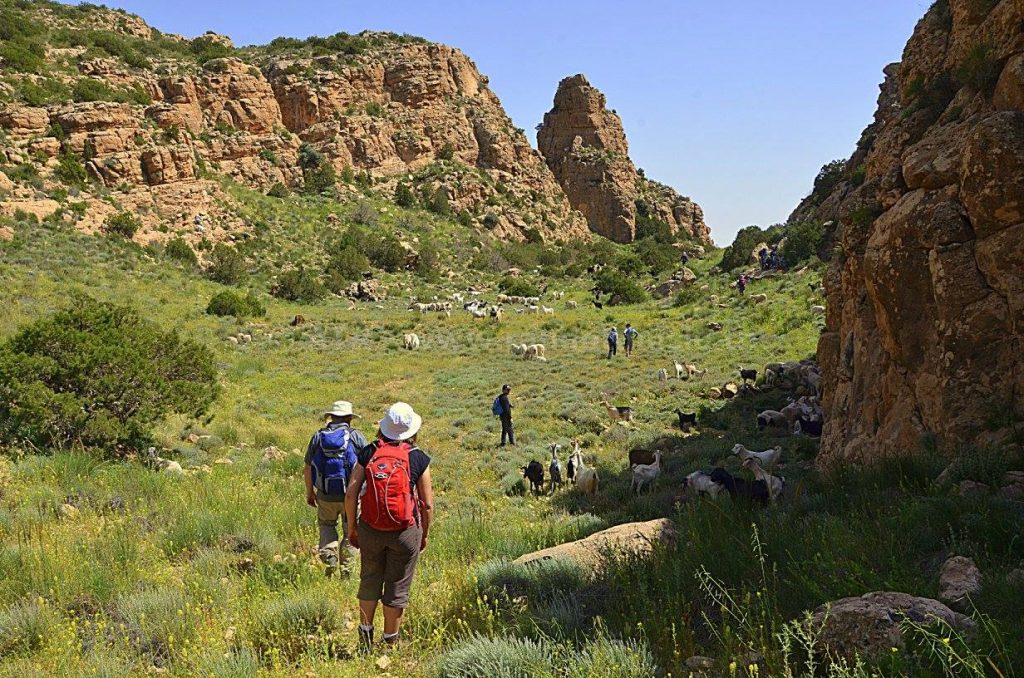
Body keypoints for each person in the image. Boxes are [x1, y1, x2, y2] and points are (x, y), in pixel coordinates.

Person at [346, 402, 433, 650]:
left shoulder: (369, 452)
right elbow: (427, 504)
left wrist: (353, 527)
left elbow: (351, 493)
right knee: (397, 584)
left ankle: (365, 634)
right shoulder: (418, 458)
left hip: (370, 528)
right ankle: (390, 641)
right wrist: (423, 534)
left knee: (369, 578)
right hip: (405, 532)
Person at [304, 400, 368, 577]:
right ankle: (346, 571)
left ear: (331, 417)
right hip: (351, 495)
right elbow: (368, 465)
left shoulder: (318, 436)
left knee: (326, 525)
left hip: (325, 495)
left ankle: (329, 557)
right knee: (350, 531)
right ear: (349, 418)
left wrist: (310, 492)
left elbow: (308, 467)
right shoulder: (356, 437)